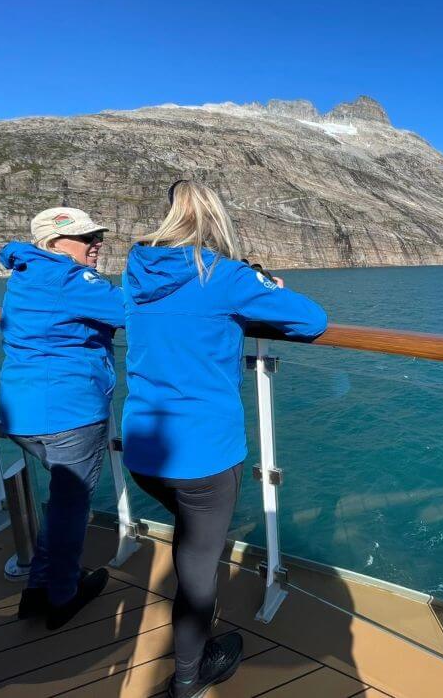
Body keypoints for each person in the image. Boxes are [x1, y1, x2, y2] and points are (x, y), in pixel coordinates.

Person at [122, 180, 327, 698]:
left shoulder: (135, 272)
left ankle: (192, 657)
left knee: (190, 541)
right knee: (196, 568)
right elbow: (312, 321)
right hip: (203, 454)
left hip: (143, 449)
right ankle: (190, 677)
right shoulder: (226, 276)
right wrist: (265, 287)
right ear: (218, 220)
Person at [0, 207, 124, 630]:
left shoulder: (27, 273)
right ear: (53, 244)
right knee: (71, 509)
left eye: (97, 236)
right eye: (86, 238)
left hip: (23, 412)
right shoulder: (69, 278)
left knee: (61, 503)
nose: (96, 243)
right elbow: (131, 311)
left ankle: (38, 589)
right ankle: (63, 596)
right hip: (68, 413)